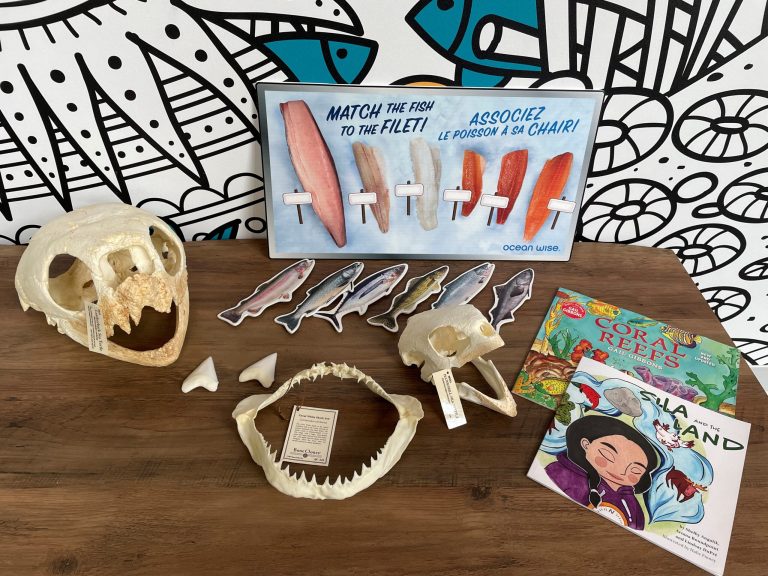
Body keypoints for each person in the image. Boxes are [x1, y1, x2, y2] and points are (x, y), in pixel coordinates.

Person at [545, 415, 659, 529]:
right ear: (586, 445)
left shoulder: (631, 503)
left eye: (635, 470)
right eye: (608, 455)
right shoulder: (561, 474)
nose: (621, 471)